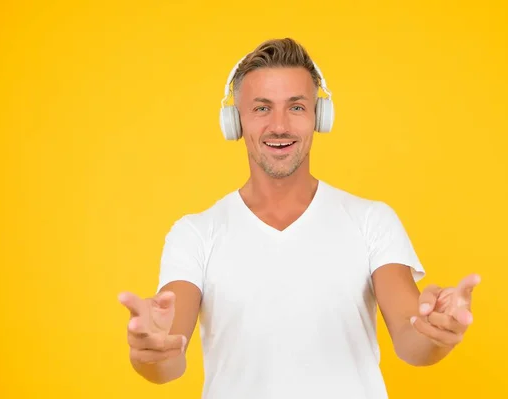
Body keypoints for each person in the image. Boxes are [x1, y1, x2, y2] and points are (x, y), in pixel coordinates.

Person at [118, 38, 480, 399]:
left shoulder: (372, 221)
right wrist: (149, 350)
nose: (280, 126)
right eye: (261, 108)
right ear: (235, 121)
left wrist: (436, 333)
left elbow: (410, 340)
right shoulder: (194, 234)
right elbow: (168, 358)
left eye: (296, 107)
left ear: (319, 116)